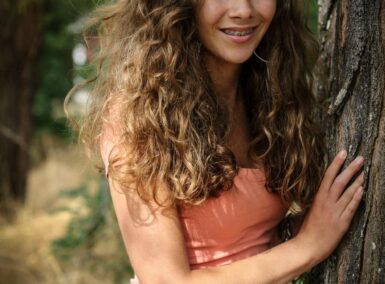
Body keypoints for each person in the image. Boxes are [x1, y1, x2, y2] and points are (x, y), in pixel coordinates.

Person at [74, 0, 365, 283]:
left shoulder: (270, 93)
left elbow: (249, 235)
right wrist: (309, 246)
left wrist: (297, 228)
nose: (243, 10)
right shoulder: (138, 115)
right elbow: (165, 280)